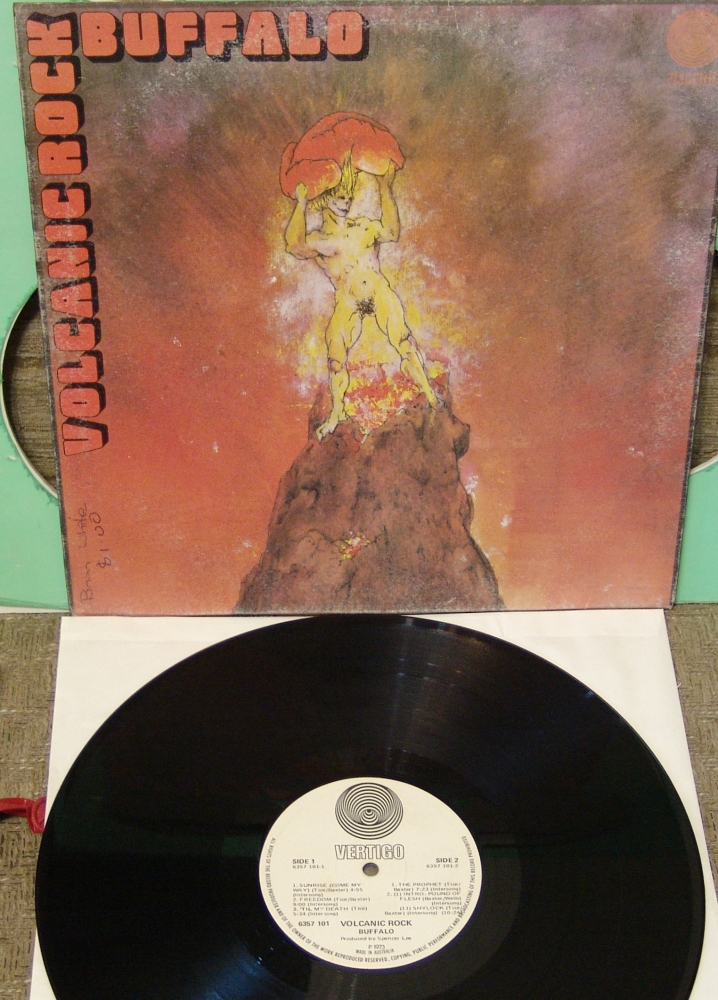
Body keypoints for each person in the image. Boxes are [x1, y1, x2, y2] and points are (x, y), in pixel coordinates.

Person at [285, 157, 438, 441]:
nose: (345, 202)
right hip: (348, 301)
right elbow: (294, 245)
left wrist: (385, 187)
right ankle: (337, 413)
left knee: (404, 342)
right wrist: (301, 204)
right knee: (335, 356)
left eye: (348, 196)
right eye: (339, 196)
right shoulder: (320, 240)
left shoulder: (364, 227)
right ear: (326, 198)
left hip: (378, 291)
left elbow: (391, 231)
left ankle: (430, 395)